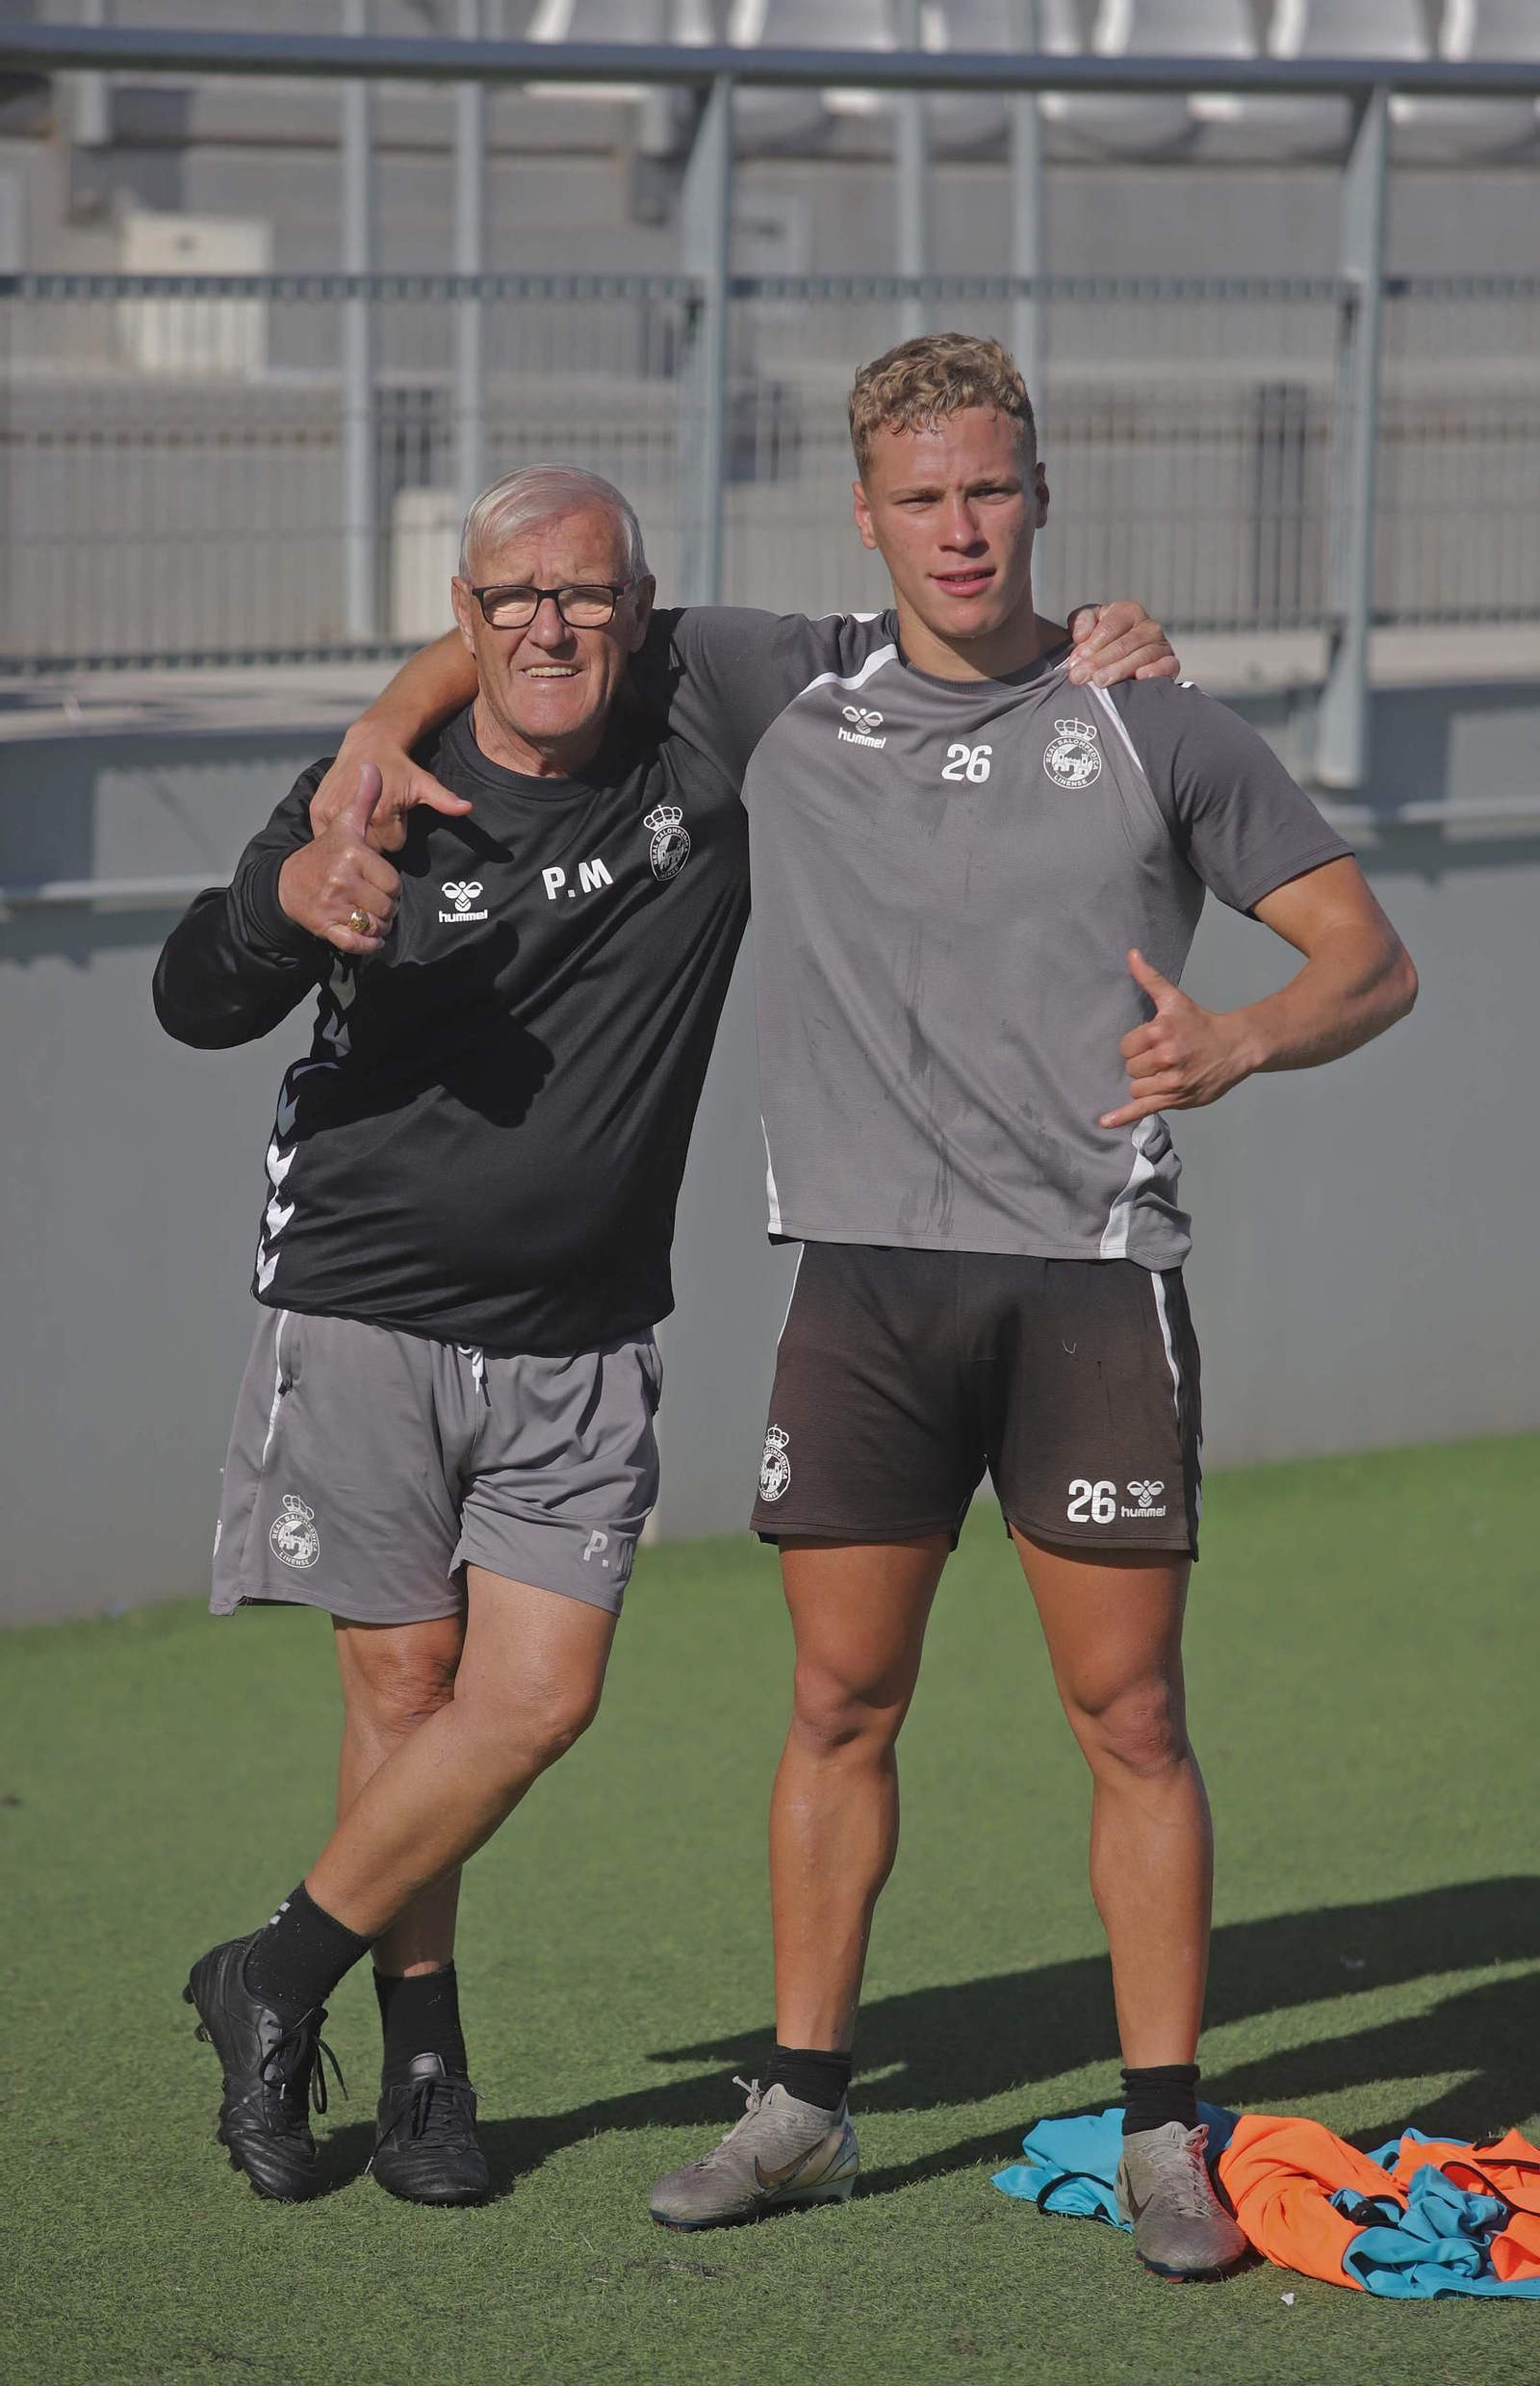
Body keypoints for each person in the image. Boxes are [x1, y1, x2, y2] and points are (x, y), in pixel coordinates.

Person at [339, 336, 1416, 2280]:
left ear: (1035, 495)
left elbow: (1364, 955)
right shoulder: (777, 686)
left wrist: (1240, 1037)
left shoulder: (1150, 723)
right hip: (858, 1291)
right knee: (838, 1700)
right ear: (864, 515)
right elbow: (533, 608)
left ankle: (1167, 2135)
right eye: (919, 497)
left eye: (987, 490)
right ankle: (803, 2105)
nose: (956, 527)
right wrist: (373, 734)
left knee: (1131, 1715)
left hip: (1091, 1289)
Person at [156, 456, 1171, 2208]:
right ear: (460, 623)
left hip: (585, 1331)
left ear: (642, 611)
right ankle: (421, 2069)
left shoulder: (710, 720)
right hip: (361, 1298)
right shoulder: (376, 787)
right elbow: (196, 994)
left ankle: (271, 1968)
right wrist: (281, 908)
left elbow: (940, 628)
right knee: (406, 1690)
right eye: (510, 600)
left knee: (533, 1697)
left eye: (587, 595)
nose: (551, 626)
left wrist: (1098, 632)